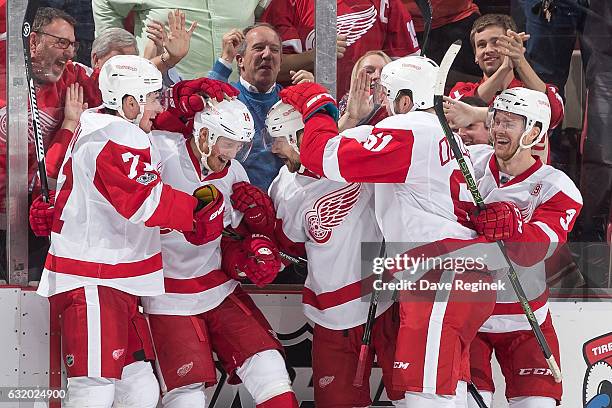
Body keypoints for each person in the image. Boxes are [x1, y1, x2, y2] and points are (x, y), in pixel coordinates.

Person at [280, 55, 506, 407]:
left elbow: (322, 155)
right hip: (457, 272)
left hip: (439, 274)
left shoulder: (411, 131)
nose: (382, 106)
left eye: (386, 97)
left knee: (426, 398)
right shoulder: (442, 134)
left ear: (404, 101)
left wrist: (317, 104)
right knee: (449, 393)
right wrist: (353, 119)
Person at [30, 54, 227, 407]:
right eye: (152, 98)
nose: (158, 106)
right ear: (129, 102)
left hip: (115, 281)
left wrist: (183, 106)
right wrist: (195, 213)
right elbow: (143, 201)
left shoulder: (100, 123)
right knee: (95, 390)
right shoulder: (117, 136)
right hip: (94, 281)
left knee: (140, 390)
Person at [142, 98, 299, 408]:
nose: (232, 153)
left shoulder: (234, 172)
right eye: (227, 143)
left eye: (239, 145)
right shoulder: (157, 149)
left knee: (270, 368)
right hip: (165, 294)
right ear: (203, 135)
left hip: (217, 287)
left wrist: (251, 249)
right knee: (186, 398)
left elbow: (233, 238)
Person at [265, 101, 404, 406]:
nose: (273, 150)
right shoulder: (284, 188)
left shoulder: (352, 156)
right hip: (332, 314)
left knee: (416, 397)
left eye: (277, 139)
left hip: (386, 302)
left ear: (296, 138)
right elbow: (287, 244)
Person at [466, 87, 583, 407]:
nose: (498, 129)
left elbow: (534, 251)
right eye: (496, 120)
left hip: (525, 321)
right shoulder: (470, 166)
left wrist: (513, 227)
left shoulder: (558, 187)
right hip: (468, 318)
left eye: (510, 122)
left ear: (534, 131)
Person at [207, 23, 314, 191]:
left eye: (274, 50)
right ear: (240, 60)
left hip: (289, 202)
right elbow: (203, 105)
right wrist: (225, 60)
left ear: (280, 63)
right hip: (235, 203)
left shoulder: (293, 102)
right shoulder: (227, 98)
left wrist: (314, 102)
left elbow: (321, 149)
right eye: (258, 48)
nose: (267, 55)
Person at [448, 14, 564, 164]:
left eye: (496, 42)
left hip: (527, 184)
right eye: (481, 45)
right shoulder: (461, 90)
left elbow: (553, 115)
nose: (488, 50)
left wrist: (519, 61)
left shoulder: (532, 93)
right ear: (475, 56)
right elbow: (467, 108)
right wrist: (504, 68)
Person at [260, 0, 420, 99]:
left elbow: (409, 71)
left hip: (370, 117)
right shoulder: (287, 3)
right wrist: (315, 55)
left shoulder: (387, 3)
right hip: (306, 116)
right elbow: (268, 70)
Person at [92, 0, 269, 80]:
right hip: (164, 103)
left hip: (234, 99)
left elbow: (260, 19)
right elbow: (105, 3)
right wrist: (118, 60)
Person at [338, 50, 391, 130]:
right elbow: (332, 140)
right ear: (356, 77)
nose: (377, 76)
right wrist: (351, 118)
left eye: (384, 72)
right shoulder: (345, 103)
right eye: (368, 71)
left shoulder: (402, 105)